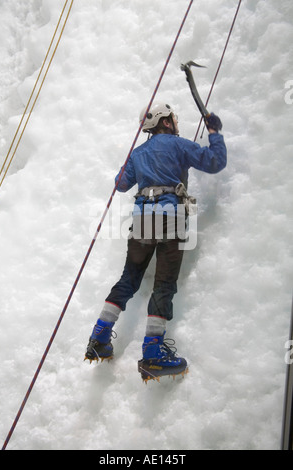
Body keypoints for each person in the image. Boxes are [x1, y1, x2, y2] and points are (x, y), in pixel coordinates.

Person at [85, 102, 227, 381]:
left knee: (129, 278)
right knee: (163, 284)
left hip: (142, 220)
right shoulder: (177, 144)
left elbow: (120, 183)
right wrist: (215, 132)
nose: (175, 122)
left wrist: (134, 159)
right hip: (170, 217)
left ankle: (99, 338)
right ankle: (153, 354)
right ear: (164, 122)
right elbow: (215, 162)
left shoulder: (139, 153)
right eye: (172, 118)